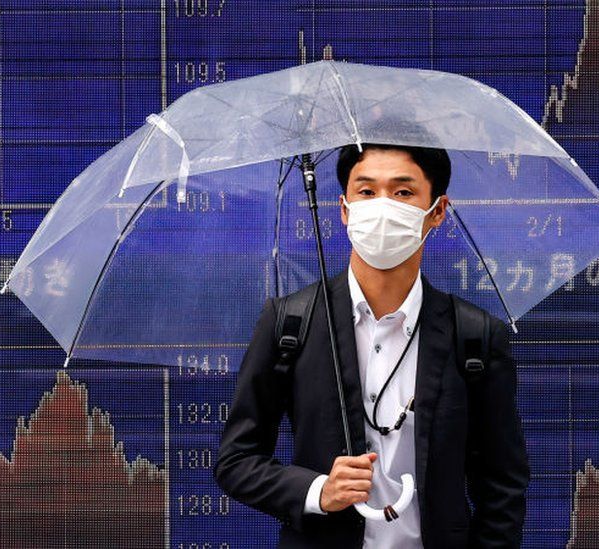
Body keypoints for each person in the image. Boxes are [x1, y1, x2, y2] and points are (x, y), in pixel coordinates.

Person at [214, 143, 529, 548]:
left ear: (436, 211)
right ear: (344, 209)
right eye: (366, 192)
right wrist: (317, 492)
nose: (383, 207)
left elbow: (503, 484)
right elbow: (236, 460)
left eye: (402, 193)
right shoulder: (290, 322)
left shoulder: (474, 335)